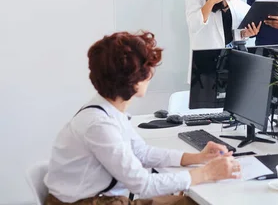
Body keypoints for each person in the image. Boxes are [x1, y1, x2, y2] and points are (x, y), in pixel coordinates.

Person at [44, 31, 241, 205]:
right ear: (131, 79)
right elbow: (142, 185)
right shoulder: (99, 124)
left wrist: (197, 158)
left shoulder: (108, 110)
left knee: (186, 199)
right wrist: (205, 173)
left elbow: (142, 152)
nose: (151, 74)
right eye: (147, 69)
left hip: (102, 198)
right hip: (89, 203)